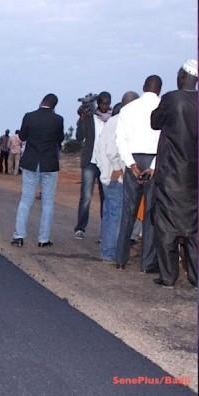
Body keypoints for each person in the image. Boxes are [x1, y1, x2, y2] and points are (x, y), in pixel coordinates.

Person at [150, 60, 198, 287]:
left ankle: (168, 276)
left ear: (181, 77)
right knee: (194, 229)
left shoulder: (171, 99)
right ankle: (196, 277)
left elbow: (154, 122)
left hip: (172, 175)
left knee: (166, 226)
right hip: (194, 177)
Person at [115, 75, 162, 272]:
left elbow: (120, 140)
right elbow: (165, 140)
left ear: (143, 87)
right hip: (154, 162)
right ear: (160, 89)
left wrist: (132, 165)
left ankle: (120, 259)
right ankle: (147, 263)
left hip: (132, 160)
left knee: (128, 212)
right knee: (150, 214)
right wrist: (153, 165)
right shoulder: (163, 107)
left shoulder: (127, 109)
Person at [11, 94, 64, 248]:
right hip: (50, 164)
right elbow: (60, 139)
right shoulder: (58, 120)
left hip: (31, 162)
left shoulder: (29, 116)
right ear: (54, 106)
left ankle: (19, 236)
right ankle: (43, 239)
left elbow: (22, 137)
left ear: (42, 101)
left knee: (26, 200)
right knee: (47, 203)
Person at [95, 92, 139, 263]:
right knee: (116, 215)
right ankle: (110, 253)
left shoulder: (111, 121)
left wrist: (105, 171)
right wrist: (116, 169)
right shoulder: (122, 121)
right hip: (116, 177)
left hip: (107, 176)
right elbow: (113, 150)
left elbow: (99, 151)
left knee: (109, 214)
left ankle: (107, 250)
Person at [73, 91, 111, 239]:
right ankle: (80, 228)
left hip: (106, 163)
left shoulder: (113, 118)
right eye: (102, 103)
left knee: (106, 198)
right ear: (97, 103)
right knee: (86, 196)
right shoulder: (89, 117)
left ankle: (105, 231)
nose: (104, 106)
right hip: (90, 161)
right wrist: (81, 118)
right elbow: (79, 137)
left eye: (107, 104)